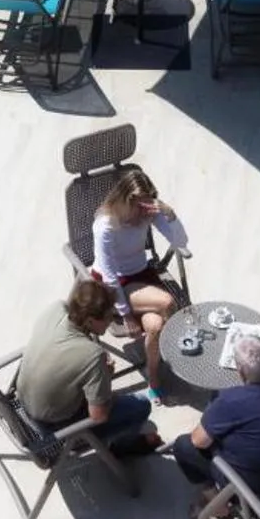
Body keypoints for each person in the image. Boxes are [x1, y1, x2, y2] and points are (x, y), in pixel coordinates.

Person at [171, 331, 260, 519]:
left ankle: (218, 505)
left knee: (184, 447)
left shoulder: (231, 401)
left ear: (241, 372)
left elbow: (198, 441)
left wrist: (215, 410)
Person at [13, 279, 160, 456]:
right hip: (53, 428)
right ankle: (121, 448)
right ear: (90, 321)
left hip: (21, 402)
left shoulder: (55, 309)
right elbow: (99, 416)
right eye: (107, 317)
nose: (111, 321)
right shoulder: (93, 356)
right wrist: (104, 379)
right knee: (141, 406)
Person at [92, 168, 188, 399]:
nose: (143, 212)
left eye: (147, 204)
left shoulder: (147, 213)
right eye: (138, 206)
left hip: (141, 275)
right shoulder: (106, 224)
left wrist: (170, 214)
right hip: (112, 284)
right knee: (167, 303)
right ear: (125, 200)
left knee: (155, 325)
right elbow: (109, 274)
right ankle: (177, 354)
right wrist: (126, 314)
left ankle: (153, 377)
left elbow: (180, 242)